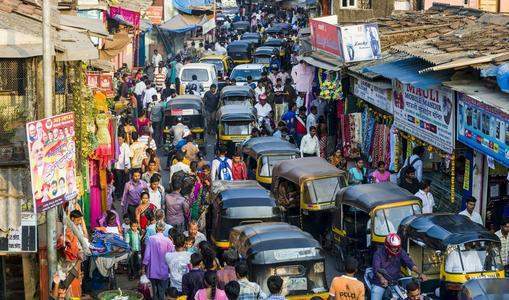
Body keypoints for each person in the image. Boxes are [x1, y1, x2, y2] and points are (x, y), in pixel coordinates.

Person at [371, 234, 425, 300]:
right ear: (387, 246)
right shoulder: (378, 254)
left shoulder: (400, 251)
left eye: (397, 247)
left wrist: (420, 273)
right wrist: (382, 278)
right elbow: (376, 269)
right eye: (393, 247)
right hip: (380, 283)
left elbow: (410, 263)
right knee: (375, 295)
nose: (395, 249)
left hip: (396, 281)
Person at [142, 221, 175, 300]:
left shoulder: (151, 239)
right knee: (162, 291)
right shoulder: (168, 241)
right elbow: (171, 256)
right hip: (164, 271)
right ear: (164, 229)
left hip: (152, 270)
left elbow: (147, 255)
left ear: (156, 228)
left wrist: (143, 267)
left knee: (154, 291)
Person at [114, 134, 131, 199]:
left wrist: (126, 166)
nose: (119, 141)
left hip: (124, 167)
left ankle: (126, 195)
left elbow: (127, 156)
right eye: (118, 139)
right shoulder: (116, 146)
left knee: (125, 182)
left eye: (120, 139)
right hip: (118, 167)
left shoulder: (125, 146)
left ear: (123, 139)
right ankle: (120, 195)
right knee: (119, 182)